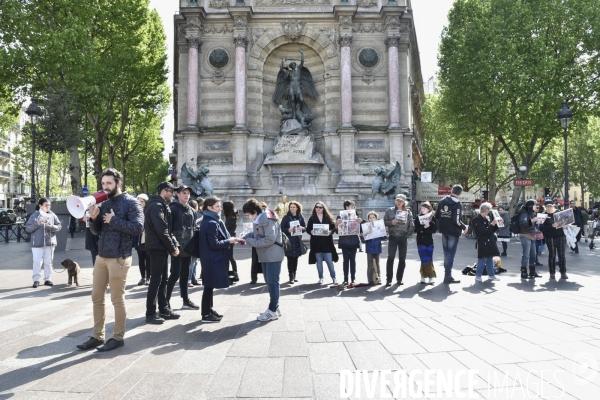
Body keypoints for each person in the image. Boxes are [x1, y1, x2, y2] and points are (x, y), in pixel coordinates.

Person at [77, 168, 144, 352]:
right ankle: (98, 336)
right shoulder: (104, 203)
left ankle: (117, 337)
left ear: (118, 183)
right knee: (96, 297)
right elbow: (97, 231)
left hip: (119, 258)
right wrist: (93, 219)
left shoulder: (132, 203)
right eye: (103, 183)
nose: (105, 187)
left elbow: (138, 228)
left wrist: (113, 220)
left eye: (109, 183)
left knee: (117, 299)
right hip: (101, 256)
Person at [199, 196, 242, 322]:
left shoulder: (210, 220)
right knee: (208, 287)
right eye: (217, 206)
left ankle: (209, 310)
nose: (220, 209)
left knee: (209, 287)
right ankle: (206, 314)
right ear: (209, 208)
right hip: (212, 259)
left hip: (211, 259)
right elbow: (214, 244)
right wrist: (229, 241)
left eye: (220, 206)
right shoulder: (211, 223)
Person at [144, 181, 181, 325]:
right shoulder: (156, 206)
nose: (173, 194)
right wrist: (172, 248)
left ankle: (164, 309)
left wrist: (171, 246)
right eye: (171, 191)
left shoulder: (162, 205)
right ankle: (151, 313)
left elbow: (167, 230)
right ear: (163, 191)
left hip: (161, 247)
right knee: (156, 280)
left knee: (163, 279)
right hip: (156, 247)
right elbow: (162, 229)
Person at [242, 199, 285, 321]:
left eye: (248, 214)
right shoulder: (259, 218)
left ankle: (272, 310)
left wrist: (248, 241)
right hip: (266, 254)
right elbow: (257, 234)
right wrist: (246, 236)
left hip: (273, 254)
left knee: (273, 282)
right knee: (269, 281)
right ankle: (275, 308)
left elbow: (269, 240)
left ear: (255, 211)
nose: (248, 217)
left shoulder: (268, 219)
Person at [166, 185, 198, 310]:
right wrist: (173, 247)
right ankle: (166, 301)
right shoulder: (172, 209)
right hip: (177, 248)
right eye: (184, 193)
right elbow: (168, 230)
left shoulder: (191, 210)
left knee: (185, 275)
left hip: (188, 248)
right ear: (177, 194)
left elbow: (194, 229)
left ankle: (185, 300)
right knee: (174, 274)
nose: (186, 195)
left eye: (188, 193)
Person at [435, 185, 468, 284]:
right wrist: (464, 227)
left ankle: (447, 275)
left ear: (451, 190)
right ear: (460, 193)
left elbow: (437, 215)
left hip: (444, 230)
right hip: (453, 232)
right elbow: (456, 220)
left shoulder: (442, 201)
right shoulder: (457, 203)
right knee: (450, 254)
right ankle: (448, 276)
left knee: (446, 253)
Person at [25, 198, 62, 288]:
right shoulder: (34, 216)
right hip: (37, 243)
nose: (48, 207)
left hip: (50, 242)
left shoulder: (52, 215)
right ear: (40, 205)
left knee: (48, 261)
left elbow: (59, 226)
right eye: (46, 205)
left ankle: (47, 279)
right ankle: (36, 279)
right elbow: (28, 228)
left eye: (49, 205)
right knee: (37, 261)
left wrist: (52, 227)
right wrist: (37, 224)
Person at [383, 194, 414, 287]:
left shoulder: (408, 212)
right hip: (392, 236)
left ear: (404, 202)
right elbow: (384, 222)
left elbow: (411, 225)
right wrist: (391, 223)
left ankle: (399, 279)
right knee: (391, 257)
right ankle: (389, 279)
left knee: (402, 259)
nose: (399, 202)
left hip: (403, 237)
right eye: (397, 200)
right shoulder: (389, 211)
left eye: (401, 201)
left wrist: (406, 236)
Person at [306, 201, 338, 284]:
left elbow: (333, 227)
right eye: (317, 207)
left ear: (323, 208)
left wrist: (331, 232)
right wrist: (311, 232)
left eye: (320, 207)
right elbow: (307, 229)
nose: (318, 209)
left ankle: (334, 277)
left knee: (329, 262)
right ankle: (321, 277)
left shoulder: (328, 217)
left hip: (327, 243)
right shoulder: (312, 218)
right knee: (319, 262)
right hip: (316, 243)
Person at [335, 200, 363, 285]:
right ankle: (345, 279)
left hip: (354, 241)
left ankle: (353, 278)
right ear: (346, 207)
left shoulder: (356, 216)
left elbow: (360, 230)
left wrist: (360, 222)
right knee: (346, 260)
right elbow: (337, 231)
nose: (353, 208)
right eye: (352, 206)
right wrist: (337, 223)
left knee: (353, 260)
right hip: (344, 242)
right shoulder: (339, 216)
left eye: (354, 206)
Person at [472, 202, 500, 282]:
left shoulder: (485, 218)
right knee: (482, 259)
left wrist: (497, 224)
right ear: (486, 210)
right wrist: (492, 224)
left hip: (489, 241)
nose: (490, 211)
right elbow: (484, 231)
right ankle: (478, 275)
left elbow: (490, 231)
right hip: (482, 242)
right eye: (489, 209)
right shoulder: (477, 219)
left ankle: (491, 275)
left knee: (489, 259)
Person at [540, 200, 568, 279]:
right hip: (550, 237)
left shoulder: (560, 213)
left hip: (561, 236)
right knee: (552, 255)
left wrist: (565, 226)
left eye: (550, 206)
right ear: (545, 207)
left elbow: (567, 223)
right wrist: (552, 226)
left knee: (562, 255)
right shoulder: (543, 216)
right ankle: (552, 272)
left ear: (553, 206)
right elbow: (541, 228)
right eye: (547, 206)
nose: (549, 208)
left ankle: (563, 272)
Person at [280, 200, 306, 284]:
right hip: (289, 241)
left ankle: (294, 275)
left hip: (297, 241)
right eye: (291, 207)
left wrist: (302, 228)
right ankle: (290, 276)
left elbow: (305, 228)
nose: (292, 209)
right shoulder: (286, 217)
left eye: (294, 207)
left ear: (297, 208)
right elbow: (281, 229)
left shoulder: (300, 217)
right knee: (290, 259)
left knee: (296, 259)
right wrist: (288, 229)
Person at [414, 202, 437, 284]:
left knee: (429, 258)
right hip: (420, 241)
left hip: (429, 240)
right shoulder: (418, 217)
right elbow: (415, 229)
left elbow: (434, 230)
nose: (422, 209)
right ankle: (424, 276)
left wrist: (423, 230)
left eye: (424, 208)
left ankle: (430, 277)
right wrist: (424, 227)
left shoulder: (432, 218)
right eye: (421, 208)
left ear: (428, 209)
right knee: (423, 259)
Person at [518, 199, 541, 279]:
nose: (537, 207)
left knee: (533, 254)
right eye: (535, 205)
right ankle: (524, 272)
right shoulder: (524, 213)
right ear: (531, 206)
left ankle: (532, 271)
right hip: (525, 234)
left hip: (532, 234)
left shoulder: (532, 213)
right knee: (526, 254)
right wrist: (532, 220)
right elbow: (522, 223)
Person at [363, 211, 384, 285]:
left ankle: (378, 278)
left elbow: (383, 237)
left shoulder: (379, 226)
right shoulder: (365, 226)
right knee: (370, 264)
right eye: (370, 218)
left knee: (377, 264)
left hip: (377, 247)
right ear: (368, 219)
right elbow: (363, 239)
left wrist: (384, 234)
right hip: (369, 248)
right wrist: (364, 234)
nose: (372, 219)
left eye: (373, 217)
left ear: (376, 218)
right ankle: (370, 280)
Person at [134, 194, 150, 285]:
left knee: (148, 259)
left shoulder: (148, 211)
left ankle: (148, 277)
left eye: (142, 201)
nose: (140, 203)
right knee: (140, 259)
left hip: (147, 238)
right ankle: (143, 277)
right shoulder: (135, 212)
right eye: (138, 201)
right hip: (138, 238)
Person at [223, 201, 239, 283]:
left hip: (230, 238)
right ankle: (233, 272)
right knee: (230, 257)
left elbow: (227, 230)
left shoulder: (230, 218)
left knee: (229, 257)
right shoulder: (232, 216)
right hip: (231, 238)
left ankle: (233, 273)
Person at [187, 199, 201, 287]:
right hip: (193, 240)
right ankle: (189, 280)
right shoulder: (193, 215)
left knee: (195, 262)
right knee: (192, 262)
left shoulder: (195, 214)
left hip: (194, 239)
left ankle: (194, 278)